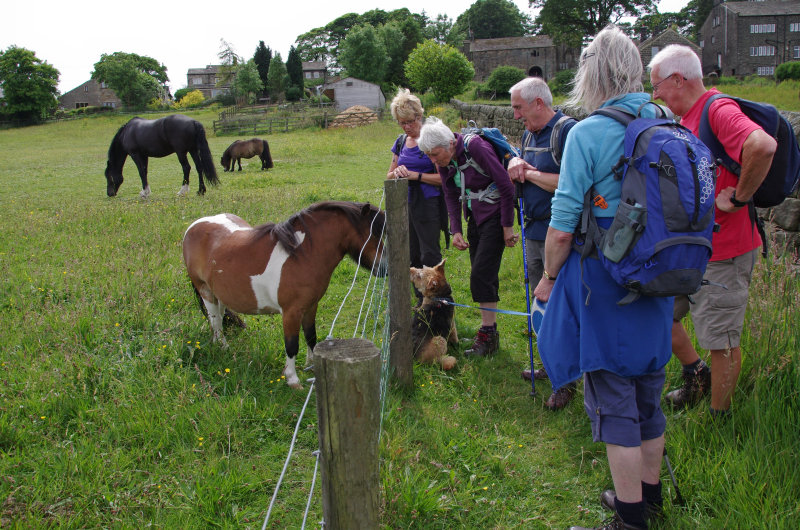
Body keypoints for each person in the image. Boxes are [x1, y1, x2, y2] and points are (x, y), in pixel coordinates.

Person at [533, 26, 672, 530]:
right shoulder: (665, 119)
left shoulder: (589, 133)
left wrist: (548, 276)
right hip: (660, 276)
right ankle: (649, 500)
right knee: (647, 391)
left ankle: (630, 519)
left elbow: (564, 224)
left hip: (608, 280)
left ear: (591, 74)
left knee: (613, 398)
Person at [648, 45, 777, 416]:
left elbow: (762, 145)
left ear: (678, 79)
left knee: (720, 339)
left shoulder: (716, 109)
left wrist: (738, 198)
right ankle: (697, 376)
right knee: (661, 314)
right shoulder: (686, 117)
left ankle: (719, 419)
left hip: (724, 251)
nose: (655, 94)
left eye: (657, 86)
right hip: (690, 250)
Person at [418, 116, 518, 357]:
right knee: (482, 275)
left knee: (481, 275)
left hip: (494, 215)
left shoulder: (475, 147)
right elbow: (450, 195)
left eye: (434, 154)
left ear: (449, 143)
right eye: (429, 156)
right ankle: (489, 334)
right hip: (475, 217)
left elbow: (505, 185)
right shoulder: (446, 161)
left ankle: (487, 334)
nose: (433, 161)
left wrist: (507, 226)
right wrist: (456, 230)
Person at [507, 76, 578, 411]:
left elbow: (574, 183)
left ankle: (567, 381)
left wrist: (531, 174)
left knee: (561, 310)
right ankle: (550, 366)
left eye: (519, 108)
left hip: (561, 238)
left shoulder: (566, 132)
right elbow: (521, 166)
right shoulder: (530, 133)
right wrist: (514, 163)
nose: (516, 115)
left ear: (538, 102)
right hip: (534, 231)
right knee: (540, 309)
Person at [386, 88, 445, 300]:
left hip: (428, 205)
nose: (407, 126)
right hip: (404, 206)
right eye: (402, 122)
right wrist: (398, 173)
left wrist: (416, 176)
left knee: (429, 255)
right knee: (411, 255)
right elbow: (389, 175)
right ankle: (421, 302)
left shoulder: (432, 140)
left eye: (410, 121)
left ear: (419, 116)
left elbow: (443, 179)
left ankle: (436, 301)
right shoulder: (400, 142)